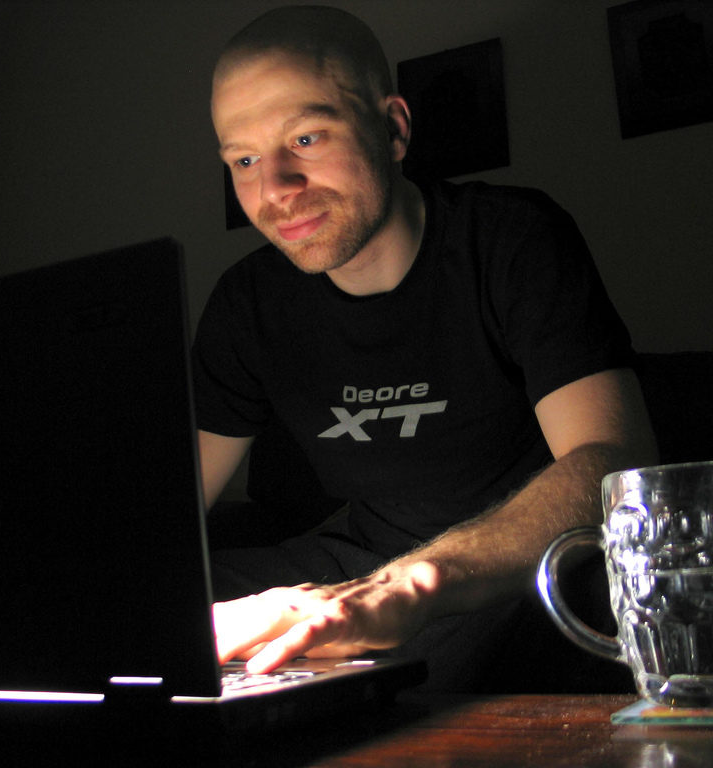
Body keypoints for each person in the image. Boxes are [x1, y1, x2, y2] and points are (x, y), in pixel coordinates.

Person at [195, 5, 657, 691]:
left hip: (520, 569)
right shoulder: (247, 304)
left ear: (393, 128)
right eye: (245, 159)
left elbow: (615, 467)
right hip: (360, 564)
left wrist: (411, 587)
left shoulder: (510, 241)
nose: (275, 189)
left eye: (308, 137)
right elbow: (165, 514)